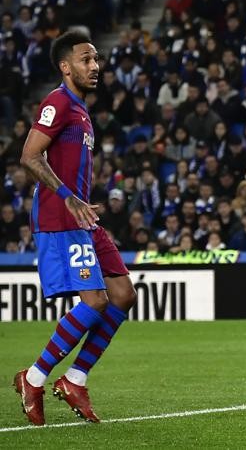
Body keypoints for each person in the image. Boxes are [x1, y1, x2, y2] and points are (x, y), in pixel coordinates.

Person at [15, 30, 137, 425]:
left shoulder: (82, 111)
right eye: (86, 60)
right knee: (95, 300)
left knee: (122, 294)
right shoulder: (57, 102)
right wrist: (68, 196)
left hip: (83, 218)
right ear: (66, 67)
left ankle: (75, 379)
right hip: (61, 217)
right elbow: (30, 156)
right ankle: (33, 378)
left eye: (96, 59)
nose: (95, 66)